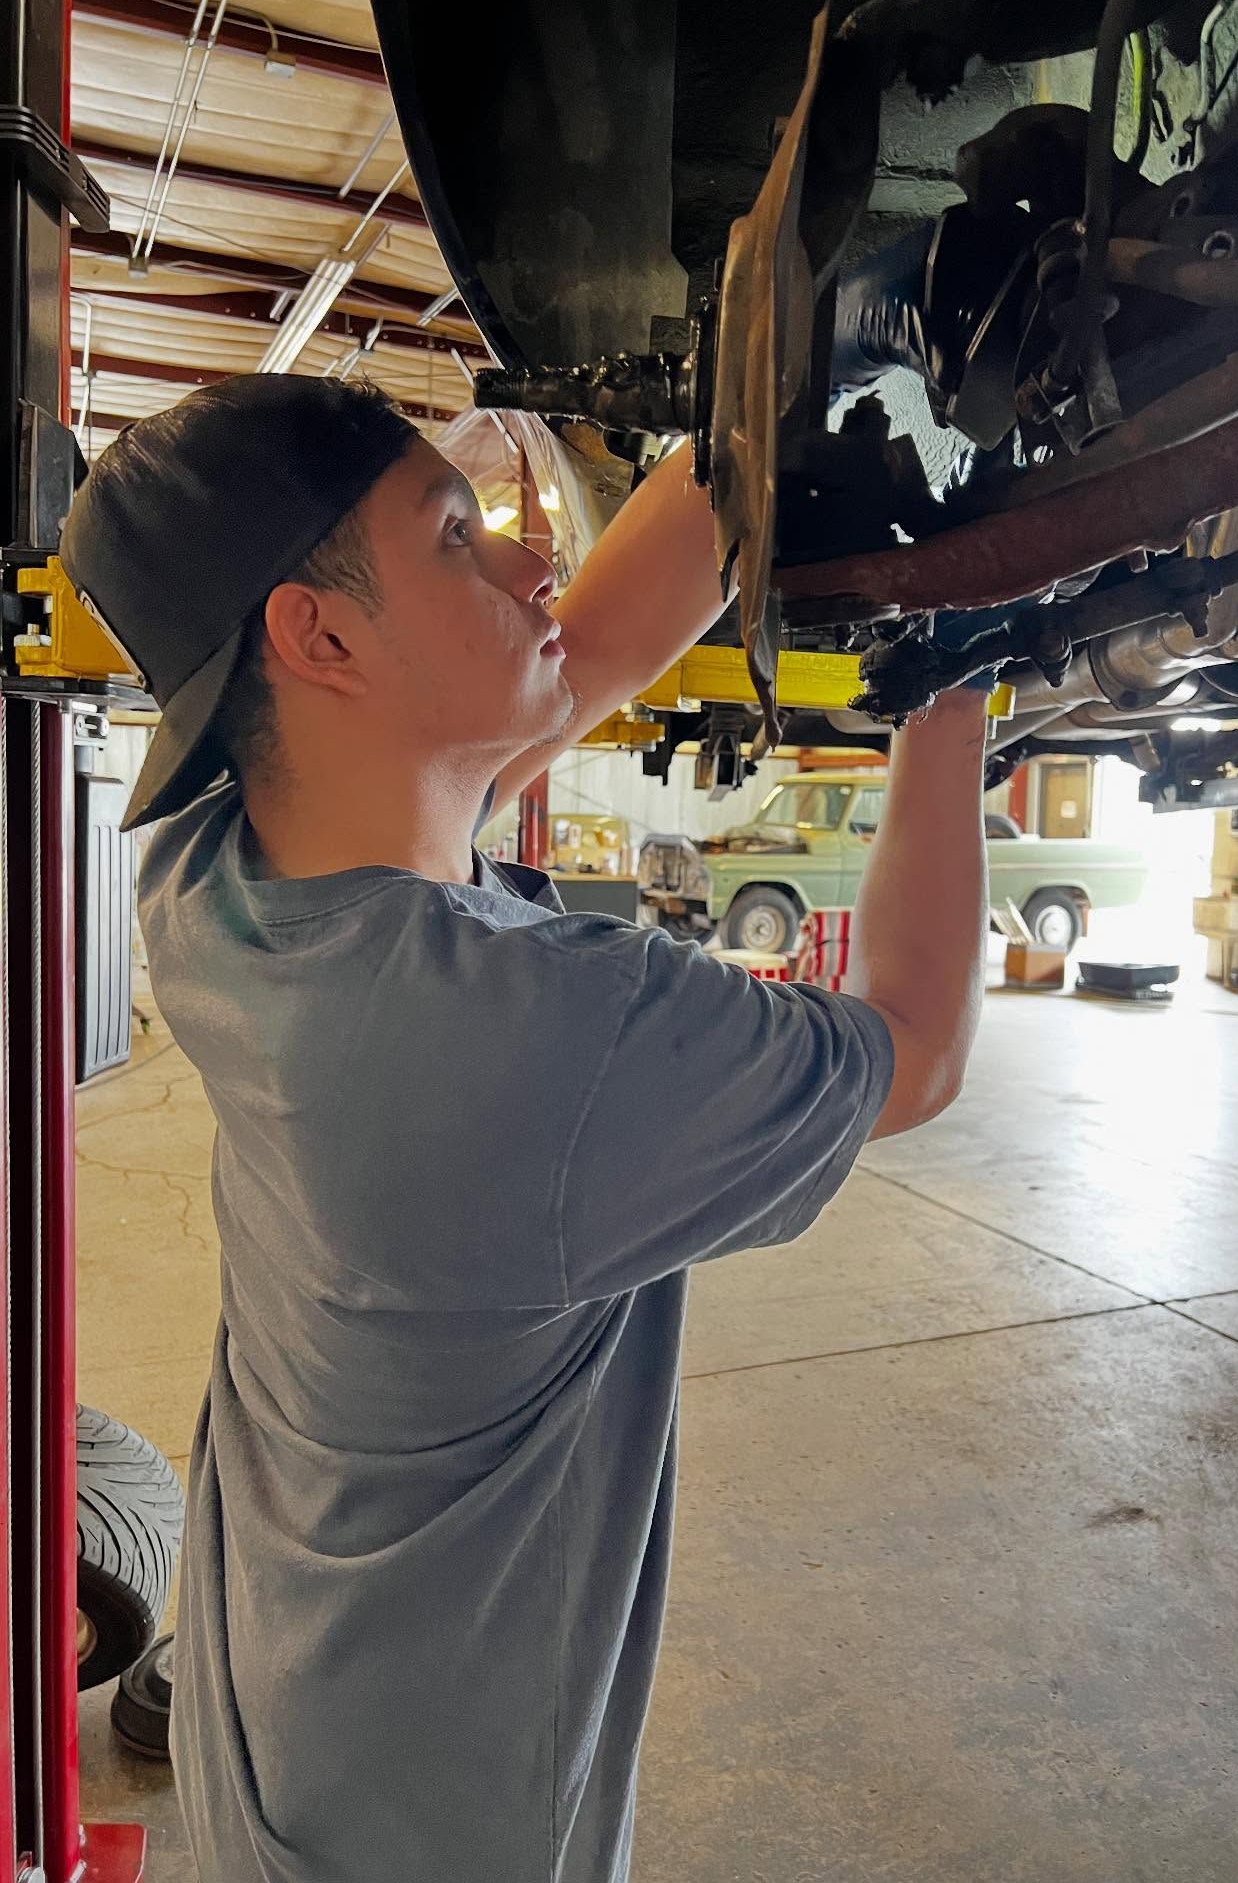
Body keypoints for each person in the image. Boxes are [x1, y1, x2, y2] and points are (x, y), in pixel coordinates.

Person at [60, 371, 988, 1883]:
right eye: (455, 535)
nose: (527, 556)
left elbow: (579, 653)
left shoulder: (220, 881)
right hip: (431, 1831)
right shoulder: (533, 1043)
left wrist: (776, 397)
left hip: (280, 1730)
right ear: (322, 635)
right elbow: (922, 1046)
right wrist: (956, 691)